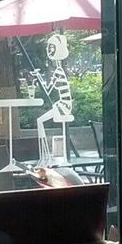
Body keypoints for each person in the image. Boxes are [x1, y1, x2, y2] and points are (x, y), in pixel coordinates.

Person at [31, 35, 73, 167]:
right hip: (63, 104)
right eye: (49, 48)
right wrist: (39, 77)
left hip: (63, 105)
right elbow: (48, 89)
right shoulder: (59, 71)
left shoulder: (59, 71)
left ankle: (45, 156)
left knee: (39, 121)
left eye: (52, 48)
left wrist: (38, 78)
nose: (49, 50)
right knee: (40, 121)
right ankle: (45, 156)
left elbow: (47, 90)